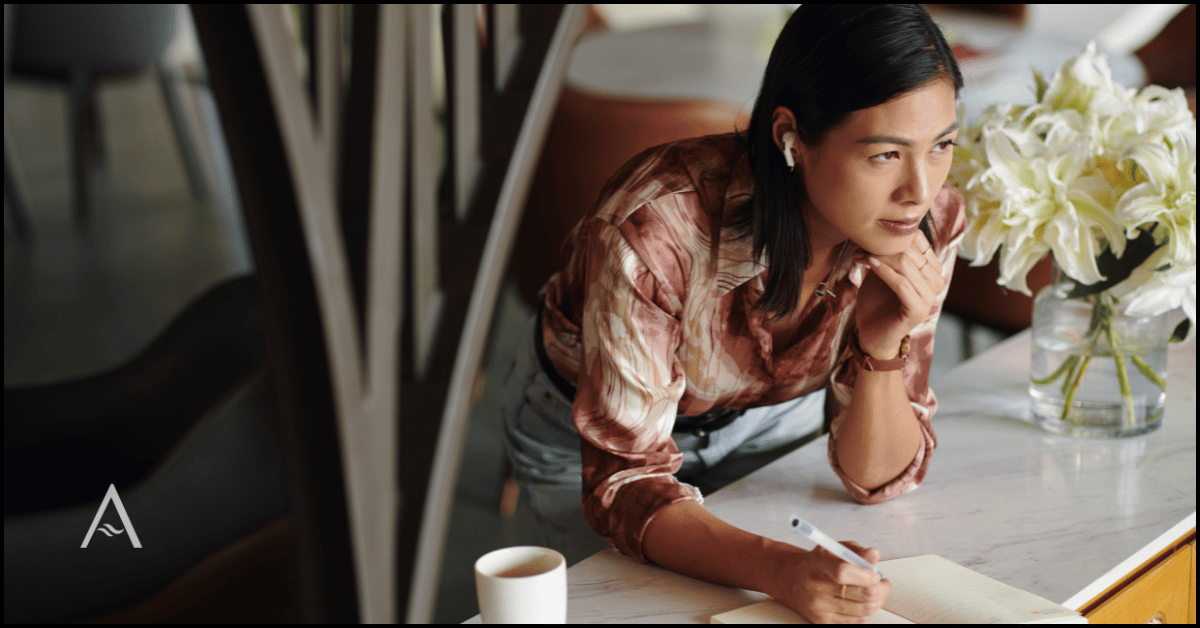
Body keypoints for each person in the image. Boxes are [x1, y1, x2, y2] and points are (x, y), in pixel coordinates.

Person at [501, 4, 966, 623]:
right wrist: (781, 570)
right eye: (885, 154)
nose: (920, 189)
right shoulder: (656, 227)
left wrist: (883, 346)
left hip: (771, 422)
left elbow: (877, 481)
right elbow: (624, 485)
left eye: (941, 147)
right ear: (790, 138)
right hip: (592, 439)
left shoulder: (925, 224)